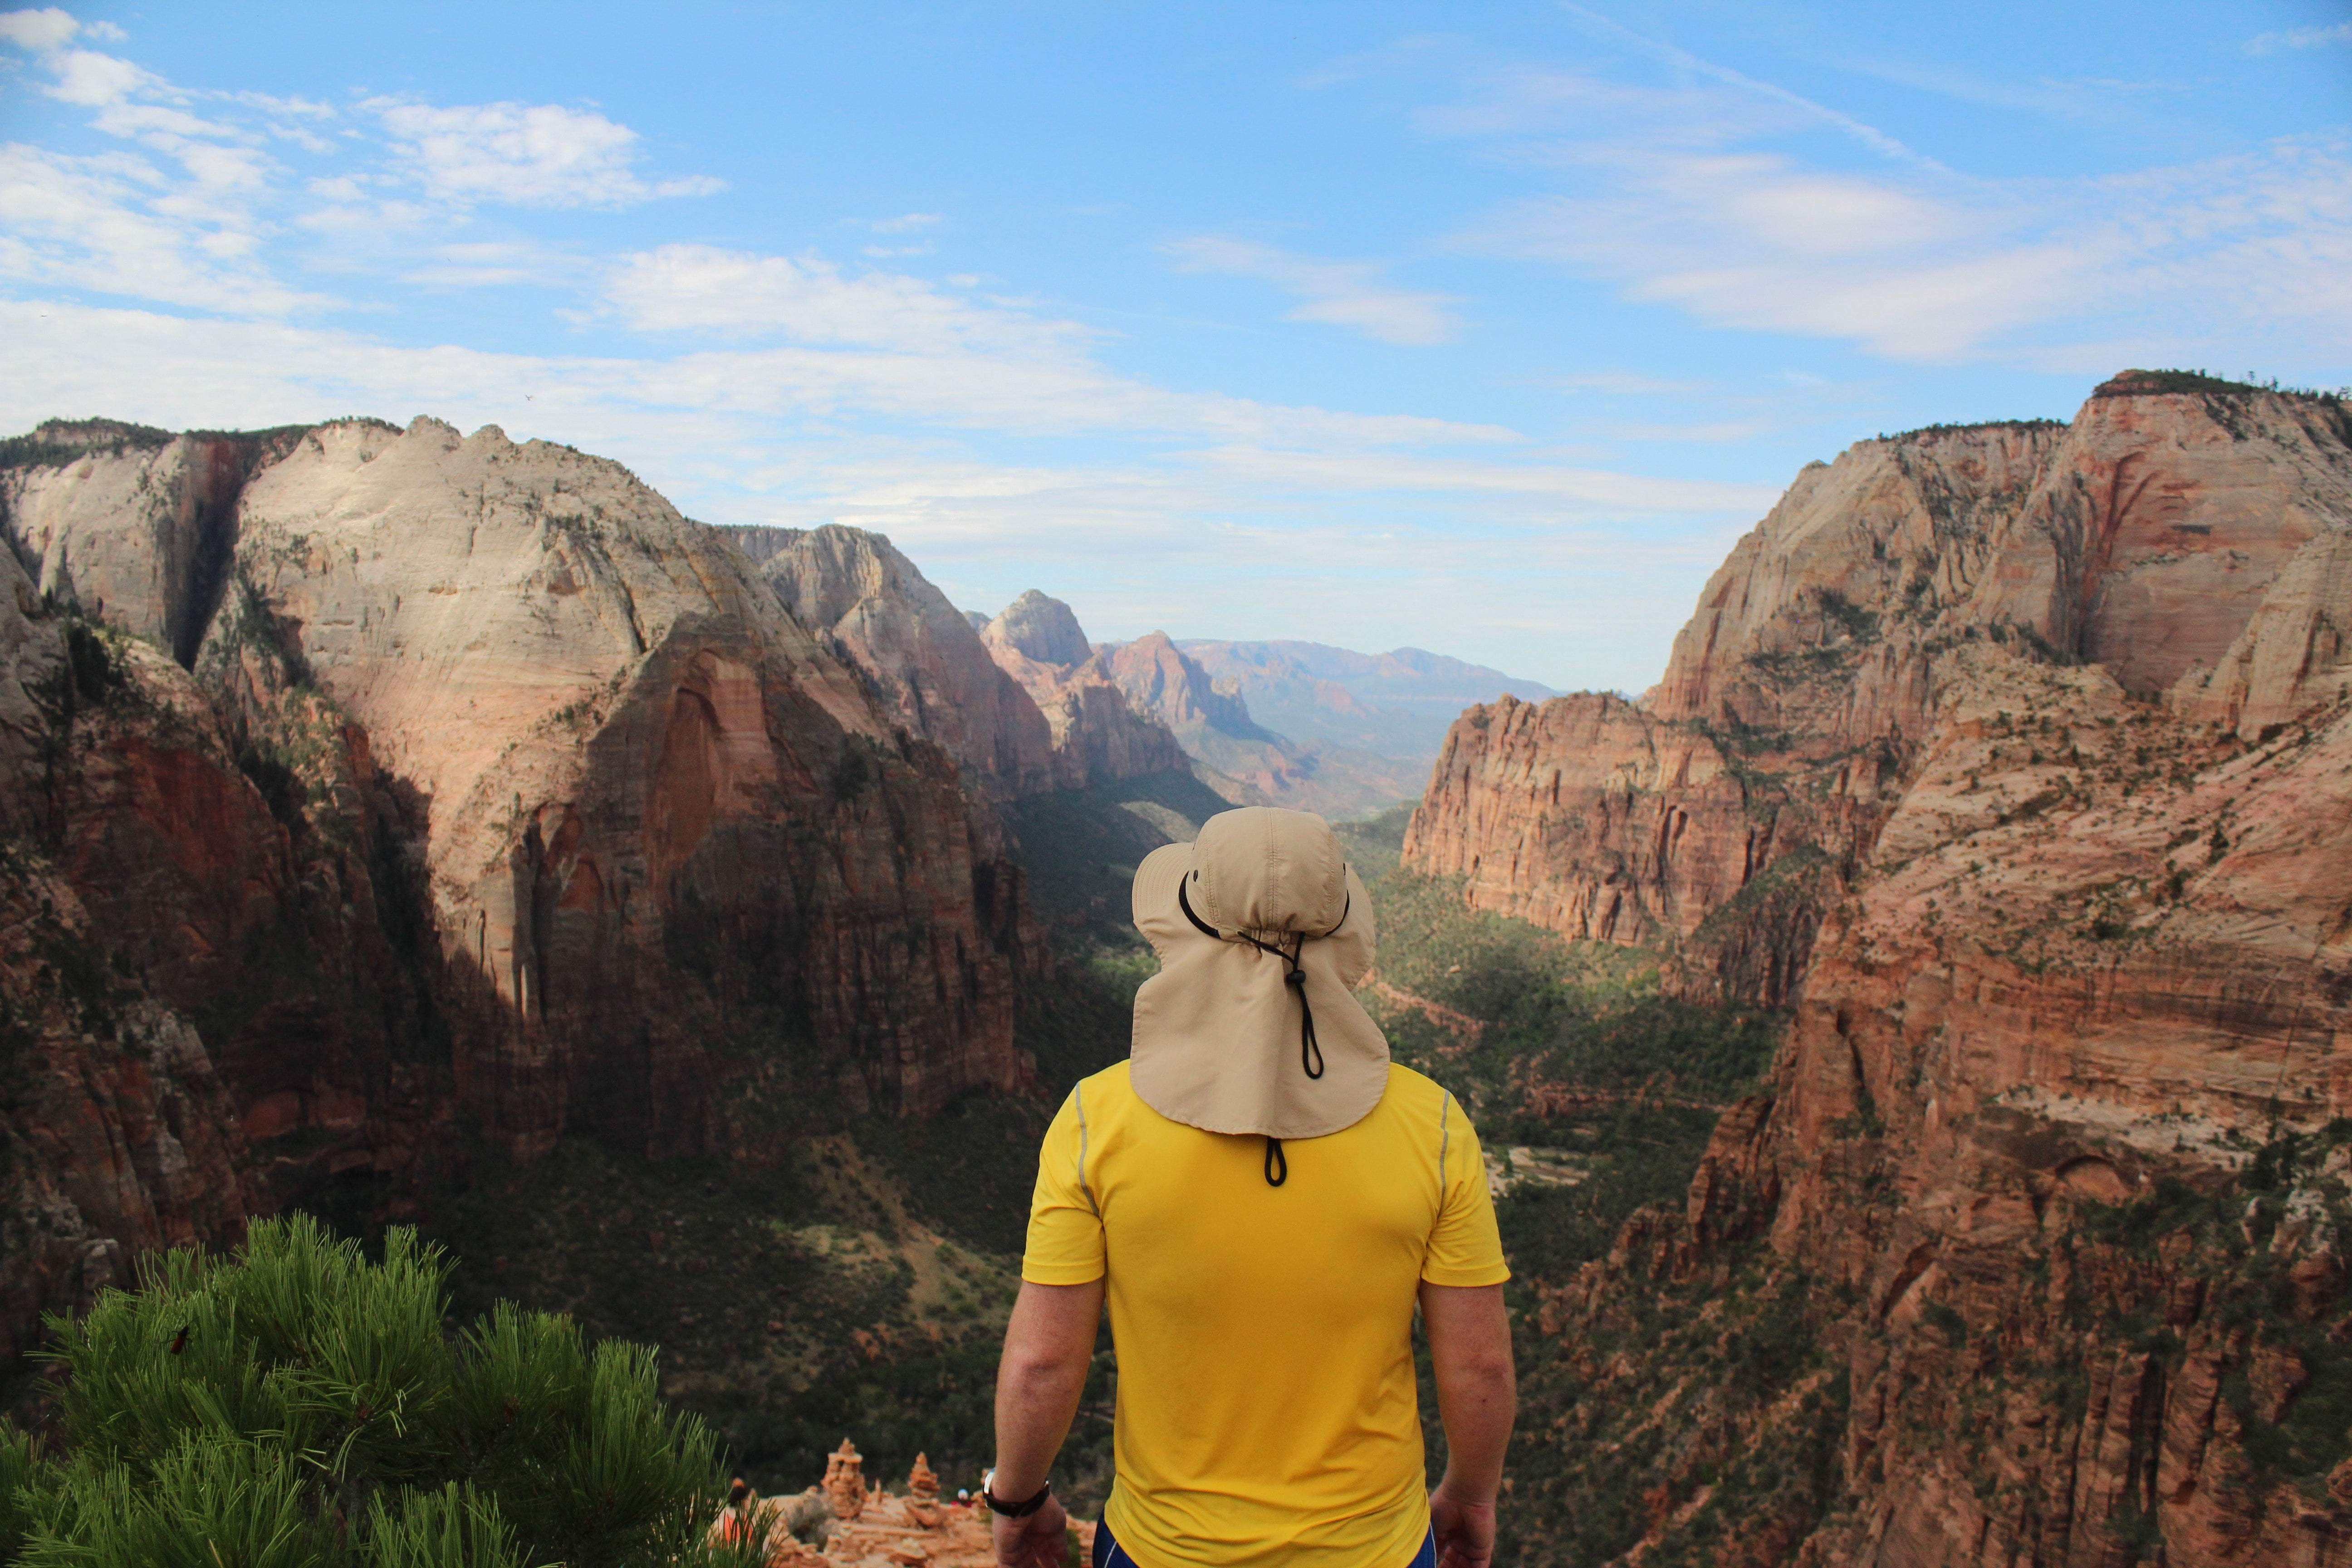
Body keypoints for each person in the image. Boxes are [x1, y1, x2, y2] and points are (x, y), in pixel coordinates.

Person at [985, 808, 1516, 1568]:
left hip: (1162, 1550)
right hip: (1375, 1551)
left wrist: (1020, 1499)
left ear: (1190, 930)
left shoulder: (1095, 1121)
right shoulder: (1431, 1126)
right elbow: (1480, 1366)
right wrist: (1469, 1496)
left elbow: (1043, 1363)